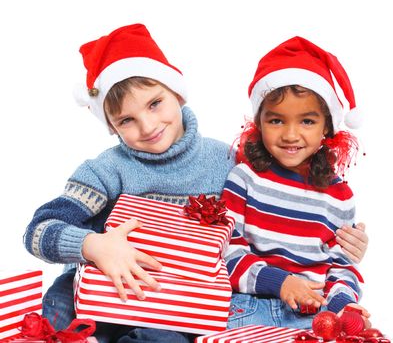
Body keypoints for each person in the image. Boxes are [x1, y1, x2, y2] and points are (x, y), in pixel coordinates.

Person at [23, 25, 368, 342]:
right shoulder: (106, 170)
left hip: (177, 303)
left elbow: (280, 209)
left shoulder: (229, 163)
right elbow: (39, 231)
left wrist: (344, 241)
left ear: (178, 93)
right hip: (103, 290)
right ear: (111, 125)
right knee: (58, 310)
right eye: (126, 120)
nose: (147, 126)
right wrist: (94, 246)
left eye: (155, 103)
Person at [222, 36, 370, 330]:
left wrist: (342, 305)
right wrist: (280, 282)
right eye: (276, 121)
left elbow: (341, 265)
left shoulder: (339, 196)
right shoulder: (245, 178)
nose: (290, 135)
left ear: (327, 126)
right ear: (259, 122)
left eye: (307, 121)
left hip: (317, 313)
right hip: (250, 306)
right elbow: (225, 250)